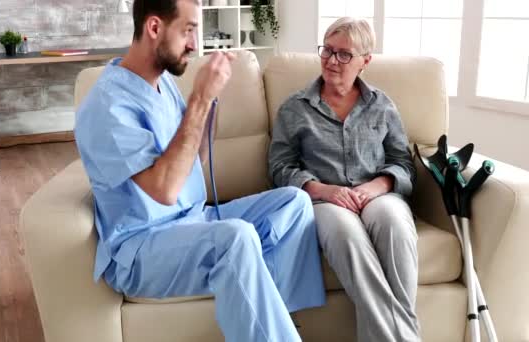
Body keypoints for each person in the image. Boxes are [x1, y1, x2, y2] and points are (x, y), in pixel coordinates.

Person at [74, 0, 326, 341]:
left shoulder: (161, 86)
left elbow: (195, 159)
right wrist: (200, 99)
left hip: (196, 220)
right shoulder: (109, 103)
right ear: (154, 28)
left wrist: (212, 99)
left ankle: (276, 318)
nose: (195, 43)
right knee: (236, 237)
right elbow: (164, 189)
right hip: (142, 246)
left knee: (294, 202)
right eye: (189, 30)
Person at [268, 17, 420, 342]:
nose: (332, 61)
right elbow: (280, 167)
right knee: (347, 236)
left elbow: (403, 163)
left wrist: (376, 187)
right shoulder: (295, 109)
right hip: (324, 201)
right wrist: (324, 189)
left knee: (395, 224)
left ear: (365, 61)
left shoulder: (382, 106)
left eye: (344, 54)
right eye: (327, 51)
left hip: (378, 196)